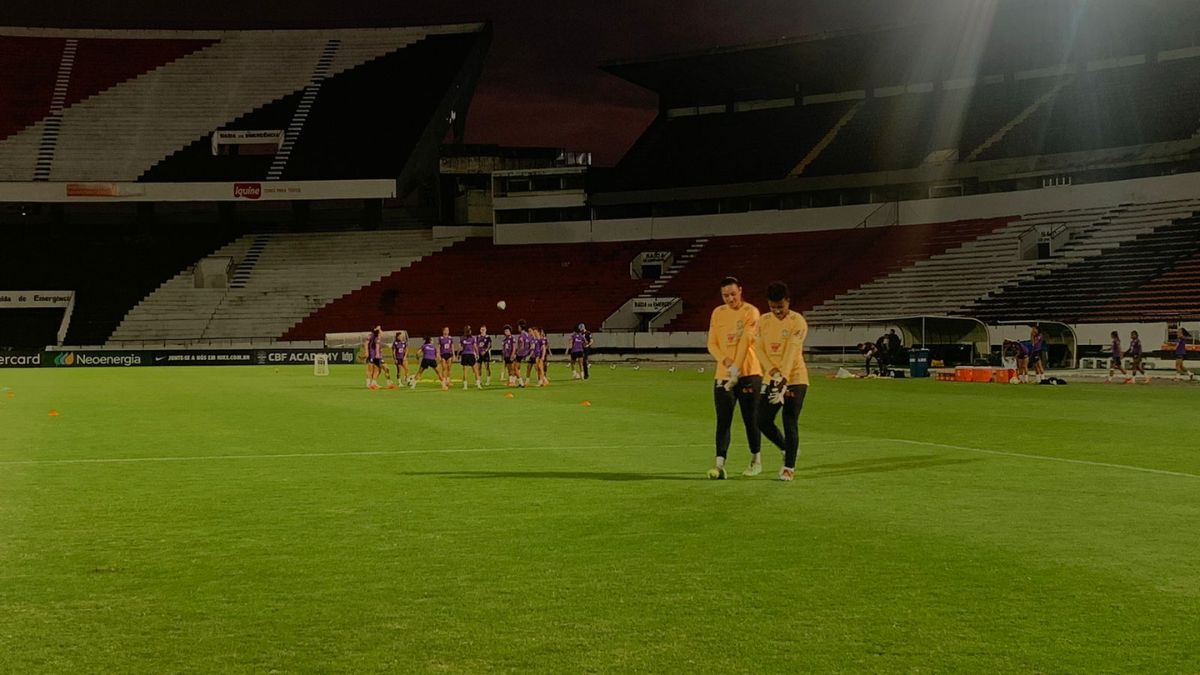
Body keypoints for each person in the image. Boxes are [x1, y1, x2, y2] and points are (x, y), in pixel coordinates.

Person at [705, 276, 762, 479]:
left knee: (751, 419)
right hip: (723, 375)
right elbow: (711, 344)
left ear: (740, 290)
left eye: (732, 294)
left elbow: (746, 342)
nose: (729, 299)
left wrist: (737, 368)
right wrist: (725, 361)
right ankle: (719, 465)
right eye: (725, 295)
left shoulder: (751, 312)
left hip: (749, 374)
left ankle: (756, 460)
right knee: (723, 420)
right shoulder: (718, 313)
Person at [753, 282, 810, 482]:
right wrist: (773, 372)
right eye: (773, 307)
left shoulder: (798, 322)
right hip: (772, 377)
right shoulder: (763, 321)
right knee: (762, 420)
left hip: (795, 378)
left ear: (788, 301)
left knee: (789, 420)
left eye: (781, 307)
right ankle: (787, 448)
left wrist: (783, 378)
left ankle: (789, 467)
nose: (777, 311)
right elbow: (758, 349)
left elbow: (792, 352)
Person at [459, 325, 482, 390]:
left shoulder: (462, 338)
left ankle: (465, 386)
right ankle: (478, 385)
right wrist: (477, 354)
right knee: (475, 370)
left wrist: (458, 354)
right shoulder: (473, 338)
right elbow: (475, 347)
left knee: (465, 371)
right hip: (471, 355)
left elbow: (460, 347)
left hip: (464, 355)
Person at [364, 325, 384, 390]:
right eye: (378, 328)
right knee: (370, 369)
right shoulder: (371, 335)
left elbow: (382, 334)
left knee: (378, 369)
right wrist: (366, 352)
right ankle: (368, 383)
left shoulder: (378, 336)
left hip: (377, 355)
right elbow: (366, 343)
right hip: (372, 354)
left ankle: (373, 383)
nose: (380, 330)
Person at [515, 320, 532, 387]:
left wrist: (517, 353)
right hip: (527, 352)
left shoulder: (521, 336)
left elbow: (521, 346)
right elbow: (531, 344)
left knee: (515, 367)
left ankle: (521, 383)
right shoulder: (528, 334)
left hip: (521, 353)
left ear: (520, 327)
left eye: (518, 326)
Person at [437, 326, 455, 390]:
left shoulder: (450, 338)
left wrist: (454, 355)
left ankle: (448, 381)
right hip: (443, 354)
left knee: (449, 368)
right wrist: (438, 354)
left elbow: (452, 347)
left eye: (448, 330)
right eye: (446, 330)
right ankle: (444, 381)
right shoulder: (440, 338)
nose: (447, 331)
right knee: (444, 368)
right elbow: (438, 347)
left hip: (449, 354)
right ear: (443, 331)